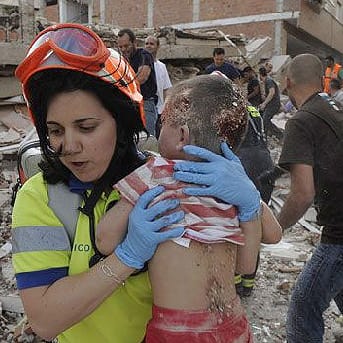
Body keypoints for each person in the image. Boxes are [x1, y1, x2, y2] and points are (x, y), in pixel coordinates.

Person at [11, 23, 277, 343]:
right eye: (55, 131)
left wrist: (250, 198)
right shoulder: (41, 196)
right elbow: (44, 320)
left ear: (121, 122)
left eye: (86, 127)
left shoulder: (167, 176)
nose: (69, 145)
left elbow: (243, 261)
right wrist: (127, 258)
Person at [96, 74, 282, 342]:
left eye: (163, 124)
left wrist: (131, 246)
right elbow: (258, 252)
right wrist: (251, 199)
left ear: (181, 135)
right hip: (234, 326)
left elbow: (104, 240)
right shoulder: (231, 183)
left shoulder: (154, 174)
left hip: (177, 332)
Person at [277, 53, 343, 342]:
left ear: (288, 82)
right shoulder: (336, 108)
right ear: (321, 81)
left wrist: (276, 228)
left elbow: (302, 194)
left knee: (303, 308)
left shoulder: (300, 121)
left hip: (339, 232)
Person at [235, 104, 275, 297]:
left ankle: (235, 283)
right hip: (265, 162)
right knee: (255, 222)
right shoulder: (252, 109)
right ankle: (248, 284)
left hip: (245, 161)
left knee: (235, 223)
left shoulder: (228, 108)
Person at [117, 28, 158, 136]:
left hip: (145, 104)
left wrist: (121, 85)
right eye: (120, 47)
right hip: (130, 104)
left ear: (134, 43)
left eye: (126, 46)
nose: (124, 49)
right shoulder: (122, 60)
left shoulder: (144, 55)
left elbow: (142, 78)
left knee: (147, 141)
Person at [144, 35, 172, 138]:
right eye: (146, 43)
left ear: (157, 46)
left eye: (151, 44)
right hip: (146, 108)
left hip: (159, 109)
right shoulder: (141, 65)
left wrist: (166, 108)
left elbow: (166, 89)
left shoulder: (161, 66)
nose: (148, 46)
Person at [258, 66, 282, 139]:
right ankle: (271, 134)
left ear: (260, 74)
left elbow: (272, 92)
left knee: (265, 120)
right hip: (271, 104)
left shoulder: (268, 81)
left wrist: (264, 103)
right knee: (264, 119)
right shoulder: (266, 81)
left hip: (273, 104)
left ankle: (279, 135)